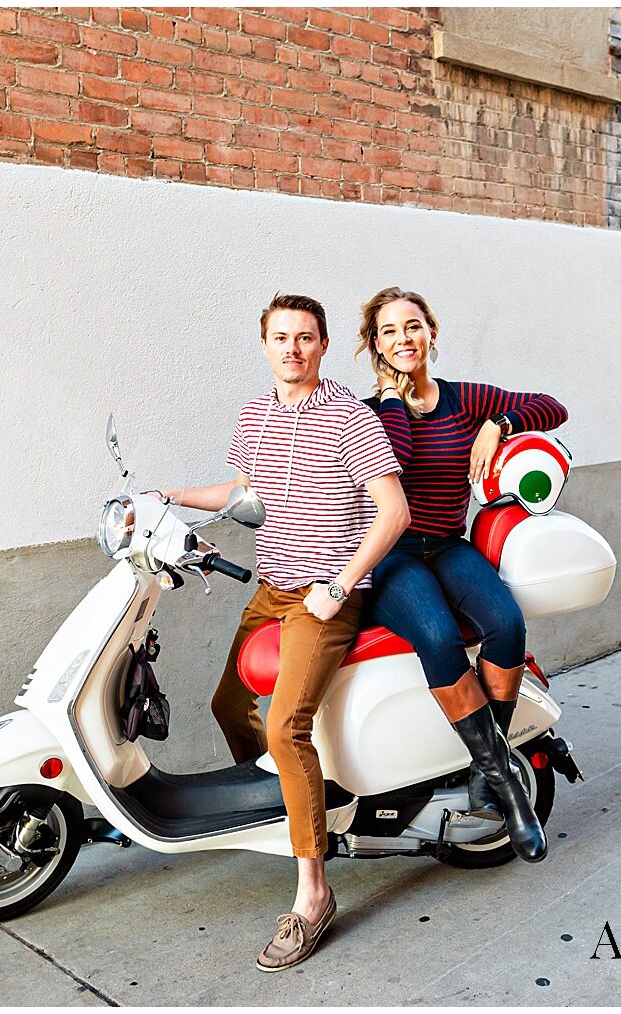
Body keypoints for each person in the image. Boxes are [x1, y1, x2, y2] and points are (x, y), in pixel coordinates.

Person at [165, 293, 408, 972]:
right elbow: (246, 492)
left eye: (304, 337)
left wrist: (339, 585)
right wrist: (172, 497)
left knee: (286, 727)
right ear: (265, 345)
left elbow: (393, 510)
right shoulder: (255, 414)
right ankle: (282, 810)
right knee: (224, 703)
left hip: (323, 598)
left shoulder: (350, 418)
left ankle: (313, 892)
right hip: (270, 587)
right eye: (280, 338)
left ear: (323, 346)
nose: (292, 349)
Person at [355, 286, 568, 863]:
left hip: (447, 544)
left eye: (414, 326)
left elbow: (552, 406)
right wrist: (393, 398)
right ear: (375, 344)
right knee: (441, 636)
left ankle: (484, 771)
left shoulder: (465, 397)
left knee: (505, 624)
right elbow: (394, 461)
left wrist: (496, 423)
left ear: (432, 332)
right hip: (393, 554)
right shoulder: (371, 412)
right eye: (390, 331)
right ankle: (510, 792)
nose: (405, 339)